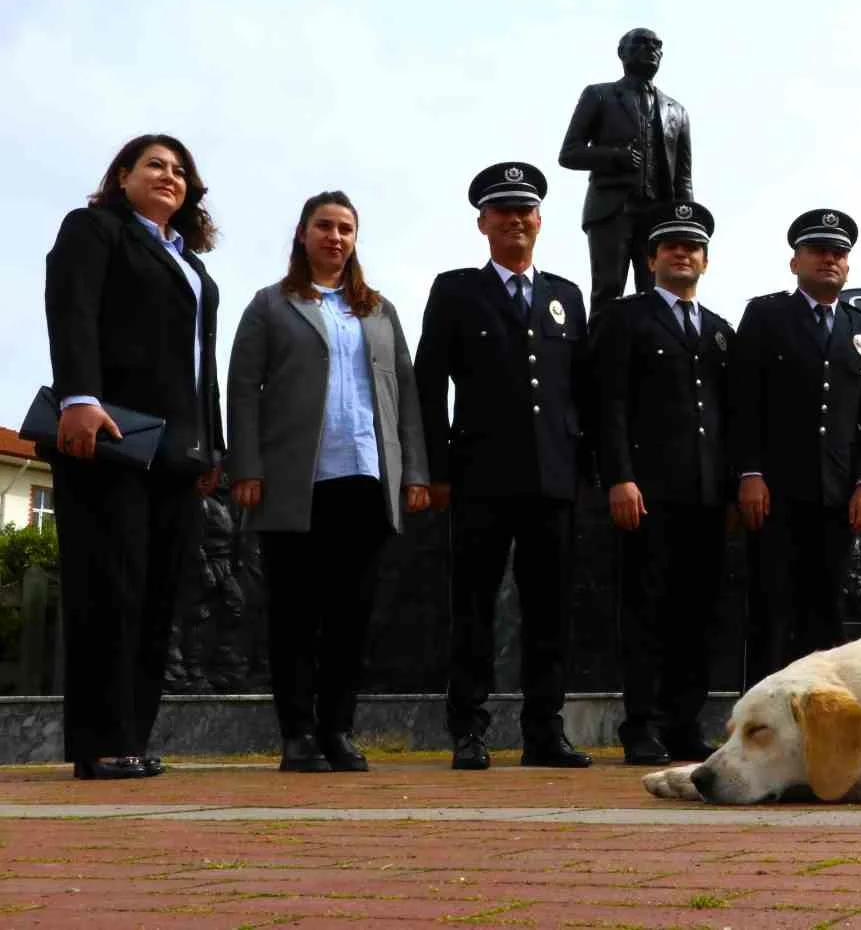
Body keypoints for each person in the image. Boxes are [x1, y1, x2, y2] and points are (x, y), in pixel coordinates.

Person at [226, 190, 431, 772]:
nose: (334, 237)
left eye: (345, 228)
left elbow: (407, 395)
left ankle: (337, 729)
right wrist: (246, 466)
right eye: (324, 226)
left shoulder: (377, 310)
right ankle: (296, 735)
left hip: (365, 480)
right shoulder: (271, 305)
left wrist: (414, 471)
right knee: (294, 614)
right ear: (302, 234)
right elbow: (242, 388)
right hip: (296, 482)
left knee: (350, 614)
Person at [43, 133, 225, 780]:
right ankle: (101, 742)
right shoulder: (94, 230)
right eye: (155, 164)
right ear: (123, 176)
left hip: (177, 451)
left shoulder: (194, 268)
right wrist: (79, 397)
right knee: (109, 588)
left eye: (180, 170)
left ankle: (132, 737)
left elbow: (204, 365)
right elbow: (73, 310)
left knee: (156, 595)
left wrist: (213, 444)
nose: (169, 175)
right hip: (110, 436)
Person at [413, 163, 592, 770]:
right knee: (474, 606)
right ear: (483, 223)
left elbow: (581, 390)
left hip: (553, 477)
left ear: (540, 221)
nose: (516, 220)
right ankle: (469, 727)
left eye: (527, 211)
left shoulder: (566, 295)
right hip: (480, 475)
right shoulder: (457, 290)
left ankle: (545, 729)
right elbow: (428, 385)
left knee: (550, 611)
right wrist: (435, 471)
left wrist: (584, 471)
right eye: (503, 211)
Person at [589, 201, 733, 765]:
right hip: (648, 492)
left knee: (697, 612)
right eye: (671, 245)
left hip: (705, 493)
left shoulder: (720, 331)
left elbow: (730, 415)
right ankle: (641, 724)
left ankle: (684, 722)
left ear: (705, 259)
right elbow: (611, 405)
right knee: (647, 608)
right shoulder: (626, 319)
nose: (682, 253)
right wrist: (619, 476)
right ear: (651, 258)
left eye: (692, 246)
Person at [730, 209, 861, 688]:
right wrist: (750, 473)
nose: (829, 259)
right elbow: (743, 402)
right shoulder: (766, 315)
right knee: (771, 610)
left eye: (839, 253)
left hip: (836, 496)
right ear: (794, 261)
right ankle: (758, 726)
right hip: (776, 493)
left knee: (825, 616)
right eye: (818, 250)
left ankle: (816, 725)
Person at [558, 27, 693, 306]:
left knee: (658, 296)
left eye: (657, 45)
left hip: (658, 216)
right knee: (608, 290)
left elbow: (683, 178)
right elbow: (569, 154)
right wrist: (614, 156)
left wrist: (686, 223)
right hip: (611, 209)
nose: (651, 50)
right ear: (622, 52)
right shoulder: (599, 95)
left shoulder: (676, 111)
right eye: (642, 43)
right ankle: (601, 349)